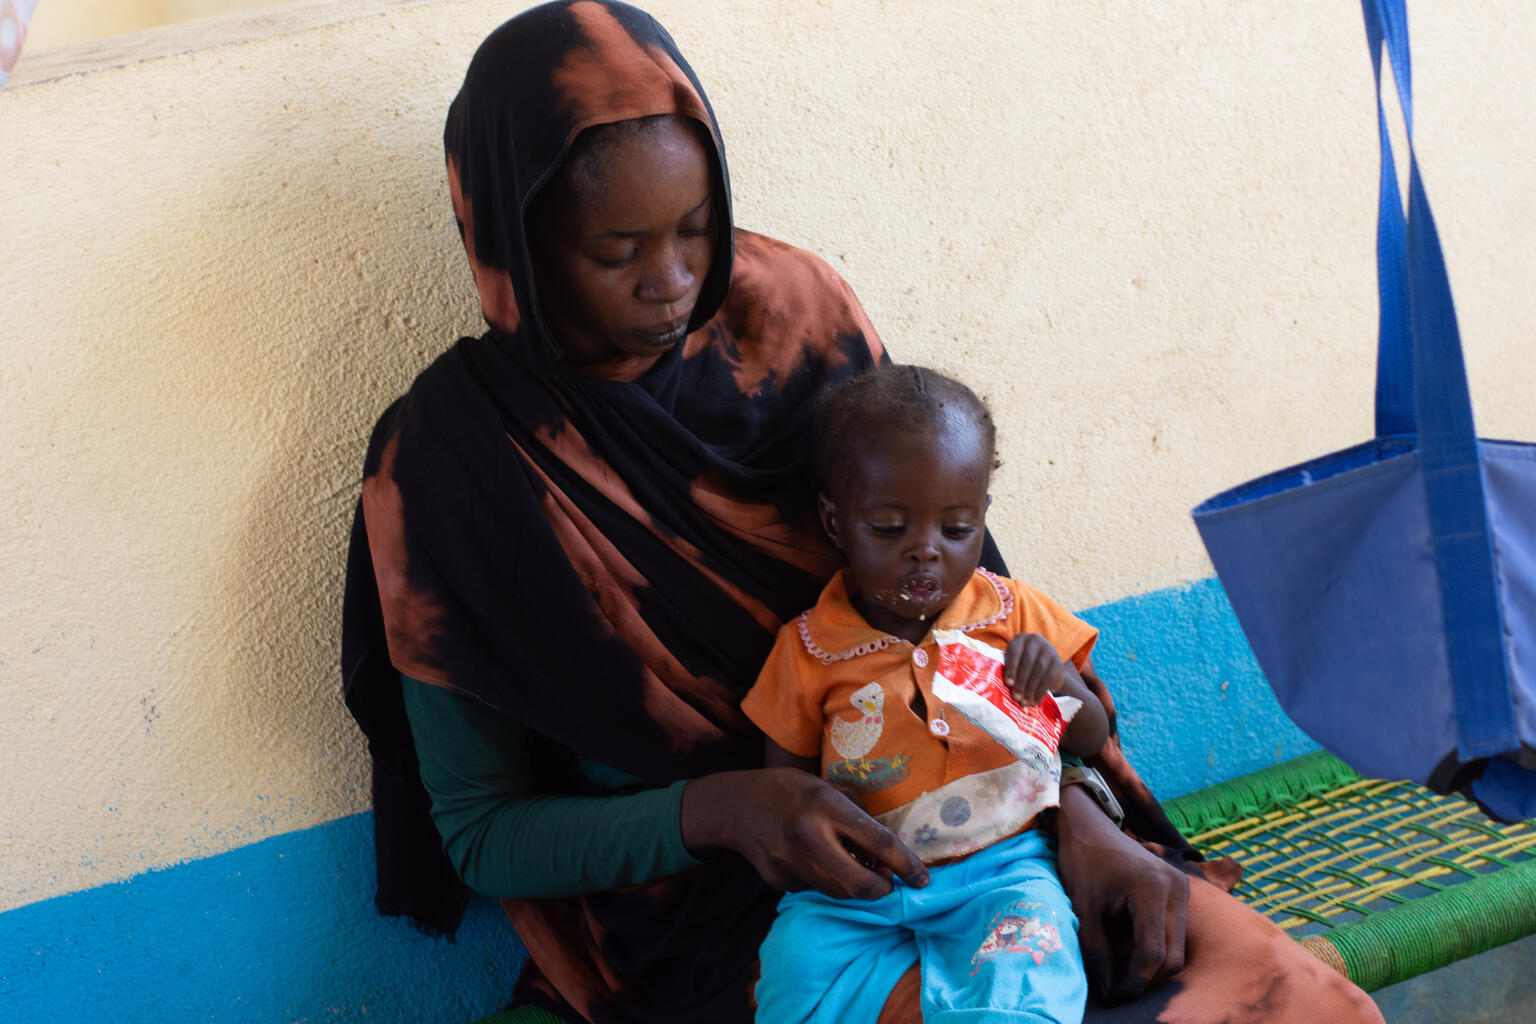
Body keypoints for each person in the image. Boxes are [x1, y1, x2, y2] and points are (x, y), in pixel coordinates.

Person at [339, 3, 1387, 1023]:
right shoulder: (454, 466)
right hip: (728, 911)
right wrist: (720, 812)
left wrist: (1077, 816)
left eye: (698, 229)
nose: (672, 282)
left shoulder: (790, 320)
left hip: (994, 837)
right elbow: (483, 832)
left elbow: (972, 629)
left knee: (1288, 997)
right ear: (514, 243)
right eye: (618, 252)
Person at [745, 364, 1108, 1023]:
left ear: (983, 519)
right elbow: (786, 793)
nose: (925, 553)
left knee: (1031, 959)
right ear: (835, 522)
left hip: (1002, 867)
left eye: (957, 529)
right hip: (858, 887)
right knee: (792, 967)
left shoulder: (1015, 613)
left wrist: (1058, 680)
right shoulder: (808, 649)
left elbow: (1093, 736)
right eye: (889, 529)